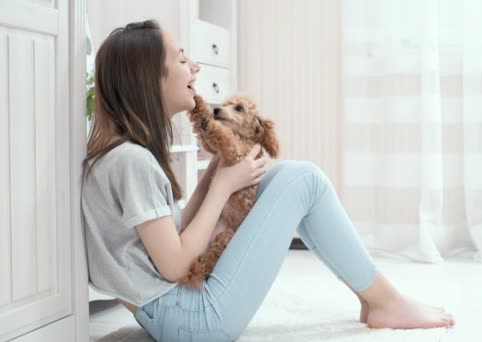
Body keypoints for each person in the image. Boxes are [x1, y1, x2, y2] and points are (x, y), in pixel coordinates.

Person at [81, 20, 455, 342]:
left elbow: (171, 237)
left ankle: (375, 297)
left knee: (292, 176)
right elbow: (175, 266)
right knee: (304, 179)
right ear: (149, 79)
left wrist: (215, 175)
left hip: (176, 311)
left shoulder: (122, 156)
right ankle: (385, 301)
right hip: (192, 321)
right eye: (181, 59)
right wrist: (223, 188)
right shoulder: (131, 162)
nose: (194, 67)